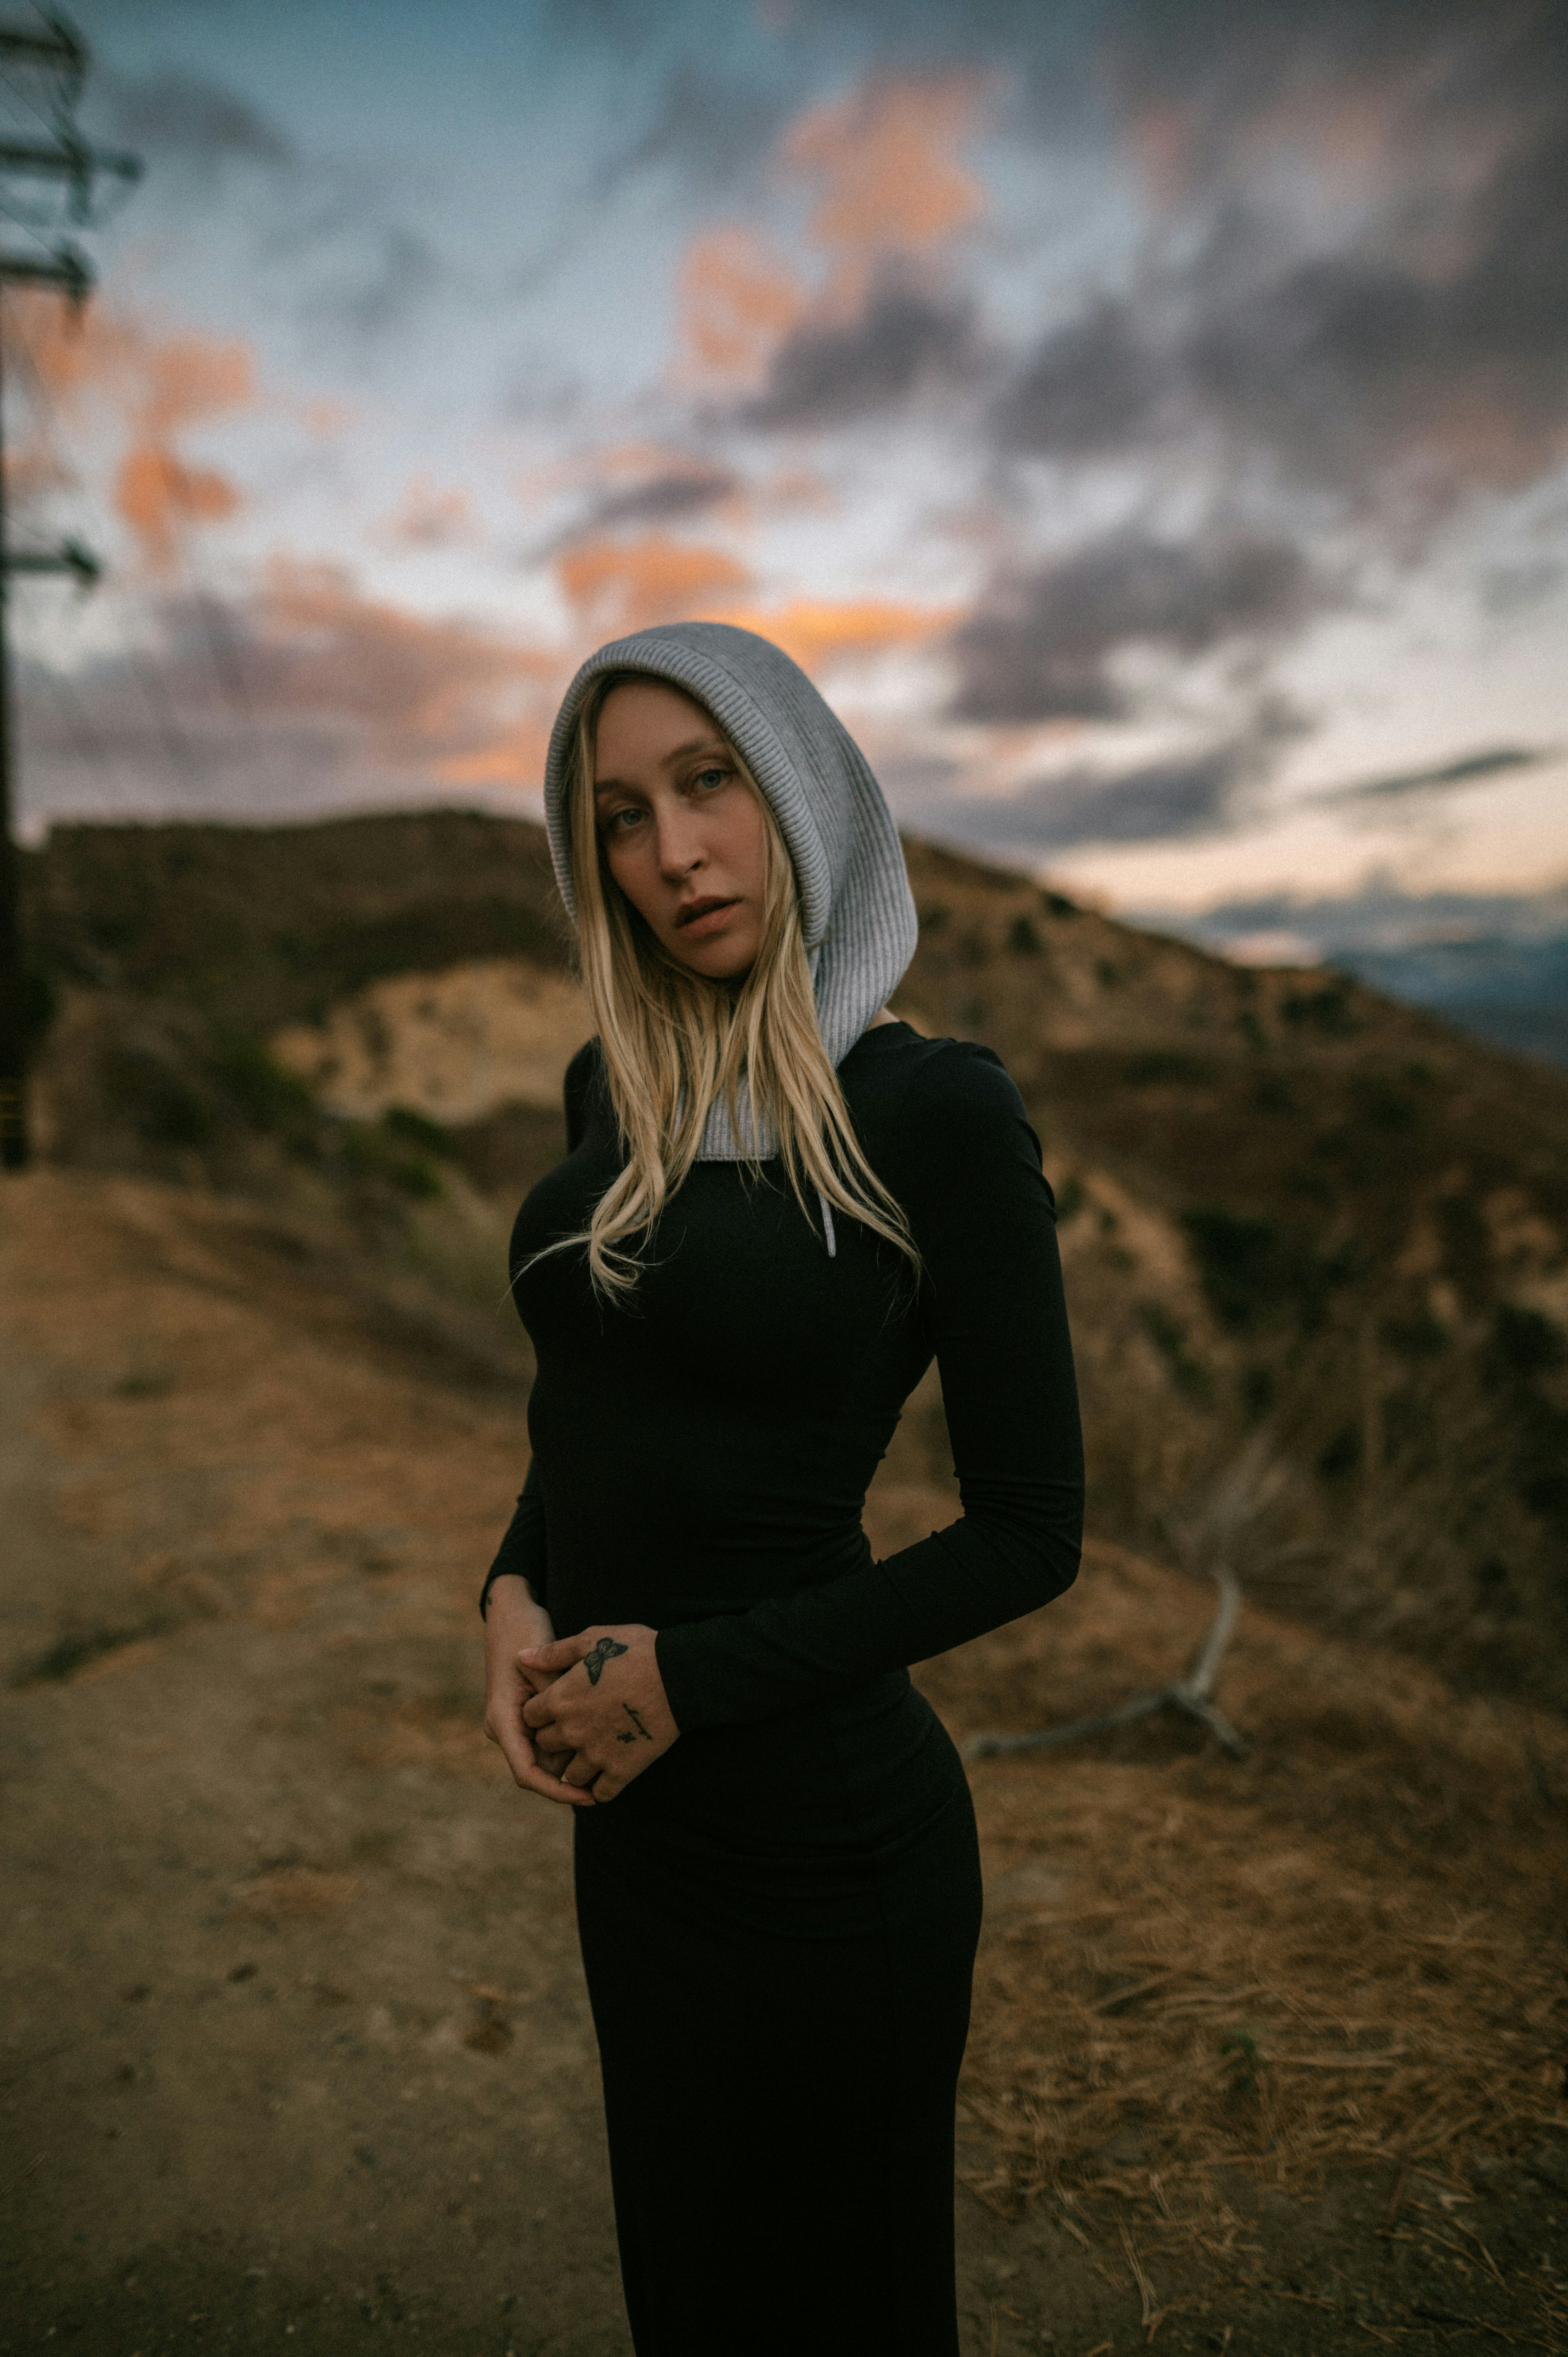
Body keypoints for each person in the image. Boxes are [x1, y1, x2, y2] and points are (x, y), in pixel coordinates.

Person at [480, 622, 1084, 2357]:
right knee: (686, 2289)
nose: (670, 853)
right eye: (616, 817)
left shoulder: (933, 1112)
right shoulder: (622, 1089)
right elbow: (587, 1411)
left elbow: (1031, 1532)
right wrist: (510, 1596)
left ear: (797, 788)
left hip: (830, 1853)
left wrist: (684, 1676)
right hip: (639, 1838)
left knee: (843, 2308)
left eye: (707, 783)